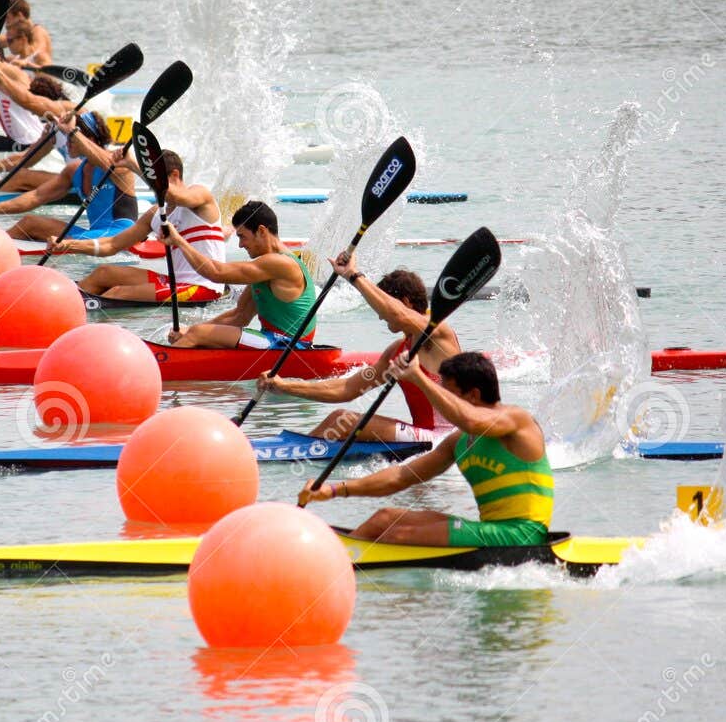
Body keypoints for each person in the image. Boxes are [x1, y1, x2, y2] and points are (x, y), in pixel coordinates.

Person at [298, 351, 554, 548]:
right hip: (491, 530)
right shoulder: (459, 441)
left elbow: (473, 420)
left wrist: (418, 377)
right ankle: (347, 561)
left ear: (473, 395)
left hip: (524, 534)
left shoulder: (516, 420)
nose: (440, 400)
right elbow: (401, 476)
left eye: (447, 393)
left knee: (398, 535)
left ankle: (349, 568)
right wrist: (334, 490)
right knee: (385, 519)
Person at [257, 255, 460, 443]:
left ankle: (293, 454)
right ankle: (295, 450)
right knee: (339, 420)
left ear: (405, 302)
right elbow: (347, 389)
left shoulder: (437, 334)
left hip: (447, 437)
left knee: (341, 420)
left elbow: (398, 315)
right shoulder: (396, 352)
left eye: (380, 306)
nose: (380, 316)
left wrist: (352, 275)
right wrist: (284, 386)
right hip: (424, 435)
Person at [53, 151, 226, 304]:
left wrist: (133, 164)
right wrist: (68, 245)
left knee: (116, 293)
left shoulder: (200, 195)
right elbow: (112, 244)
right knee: (103, 273)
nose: (154, 190)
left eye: (155, 183)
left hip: (204, 287)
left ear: (175, 174)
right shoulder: (155, 214)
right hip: (175, 282)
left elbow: (174, 194)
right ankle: (66, 305)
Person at [162, 201, 317, 350]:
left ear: (261, 231)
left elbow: (216, 273)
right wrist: (189, 330)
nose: (240, 244)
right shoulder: (266, 270)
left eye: (242, 236)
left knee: (197, 334)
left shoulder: (280, 263)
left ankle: (158, 370)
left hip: (290, 346)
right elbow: (240, 316)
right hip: (274, 340)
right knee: (196, 333)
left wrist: (179, 240)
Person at [0, 110, 140, 241]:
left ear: (88, 138)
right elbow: (37, 196)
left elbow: (106, 161)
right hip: (95, 234)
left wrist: (73, 131)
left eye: (70, 139)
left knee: (62, 241)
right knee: (29, 223)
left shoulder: (119, 164)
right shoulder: (74, 170)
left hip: (122, 236)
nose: (66, 144)